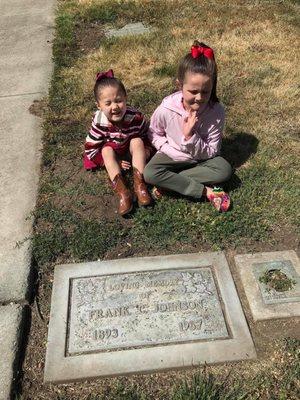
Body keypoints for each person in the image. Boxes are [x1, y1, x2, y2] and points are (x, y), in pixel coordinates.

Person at [144, 41, 232, 212]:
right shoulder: (166, 109)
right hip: (173, 154)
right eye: (193, 91)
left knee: (224, 170)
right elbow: (154, 133)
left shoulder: (216, 112)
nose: (199, 97)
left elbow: (212, 151)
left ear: (212, 87)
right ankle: (206, 191)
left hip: (202, 158)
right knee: (150, 173)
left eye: (205, 92)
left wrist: (190, 138)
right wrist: (167, 149)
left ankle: (171, 183)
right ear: (180, 86)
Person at [84, 69, 152, 216]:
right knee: (106, 151)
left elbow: (147, 135)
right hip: (113, 151)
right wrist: (115, 161)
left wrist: (146, 150)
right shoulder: (99, 123)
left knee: (137, 140)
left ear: (126, 98)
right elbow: (91, 148)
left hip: (131, 149)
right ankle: (123, 192)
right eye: (108, 103)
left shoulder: (135, 118)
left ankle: (140, 184)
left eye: (119, 101)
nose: (115, 107)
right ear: (99, 106)